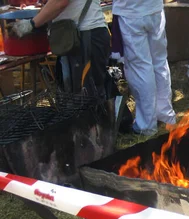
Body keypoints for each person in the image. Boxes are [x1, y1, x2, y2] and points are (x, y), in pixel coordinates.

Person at [12, 0, 110, 98]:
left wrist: (32, 23)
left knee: (86, 97)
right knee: (78, 96)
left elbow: (60, 2)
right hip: (76, 37)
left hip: (86, 37)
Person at [112, 0, 176, 136]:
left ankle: (146, 125)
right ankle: (165, 115)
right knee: (159, 63)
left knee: (141, 68)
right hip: (153, 9)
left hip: (132, 12)